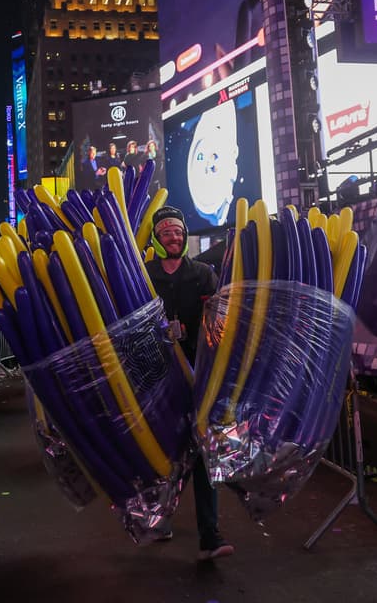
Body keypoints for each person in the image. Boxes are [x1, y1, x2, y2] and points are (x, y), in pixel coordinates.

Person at [144, 206, 234, 561]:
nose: (174, 237)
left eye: (179, 232)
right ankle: (159, 515)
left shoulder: (202, 274)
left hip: (198, 376)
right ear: (156, 236)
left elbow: (222, 322)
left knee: (201, 453)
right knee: (164, 452)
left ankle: (209, 535)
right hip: (158, 378)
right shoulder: (144, 275)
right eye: (166, 231)